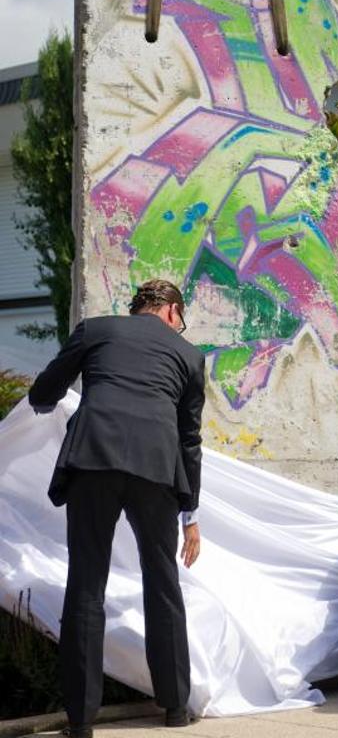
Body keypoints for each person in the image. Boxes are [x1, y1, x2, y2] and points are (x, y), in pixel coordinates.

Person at [29, 279, 206, 738]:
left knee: (87, 583)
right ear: (171, 312)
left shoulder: (96, 330)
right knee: (162, 584)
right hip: (157, 468)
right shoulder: (189, 356)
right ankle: (175, 709)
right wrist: (191, 513)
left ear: (137, 308)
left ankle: (82, 720)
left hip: (95, 458)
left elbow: (44, 391)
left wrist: (50, 402)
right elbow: (190, 441)